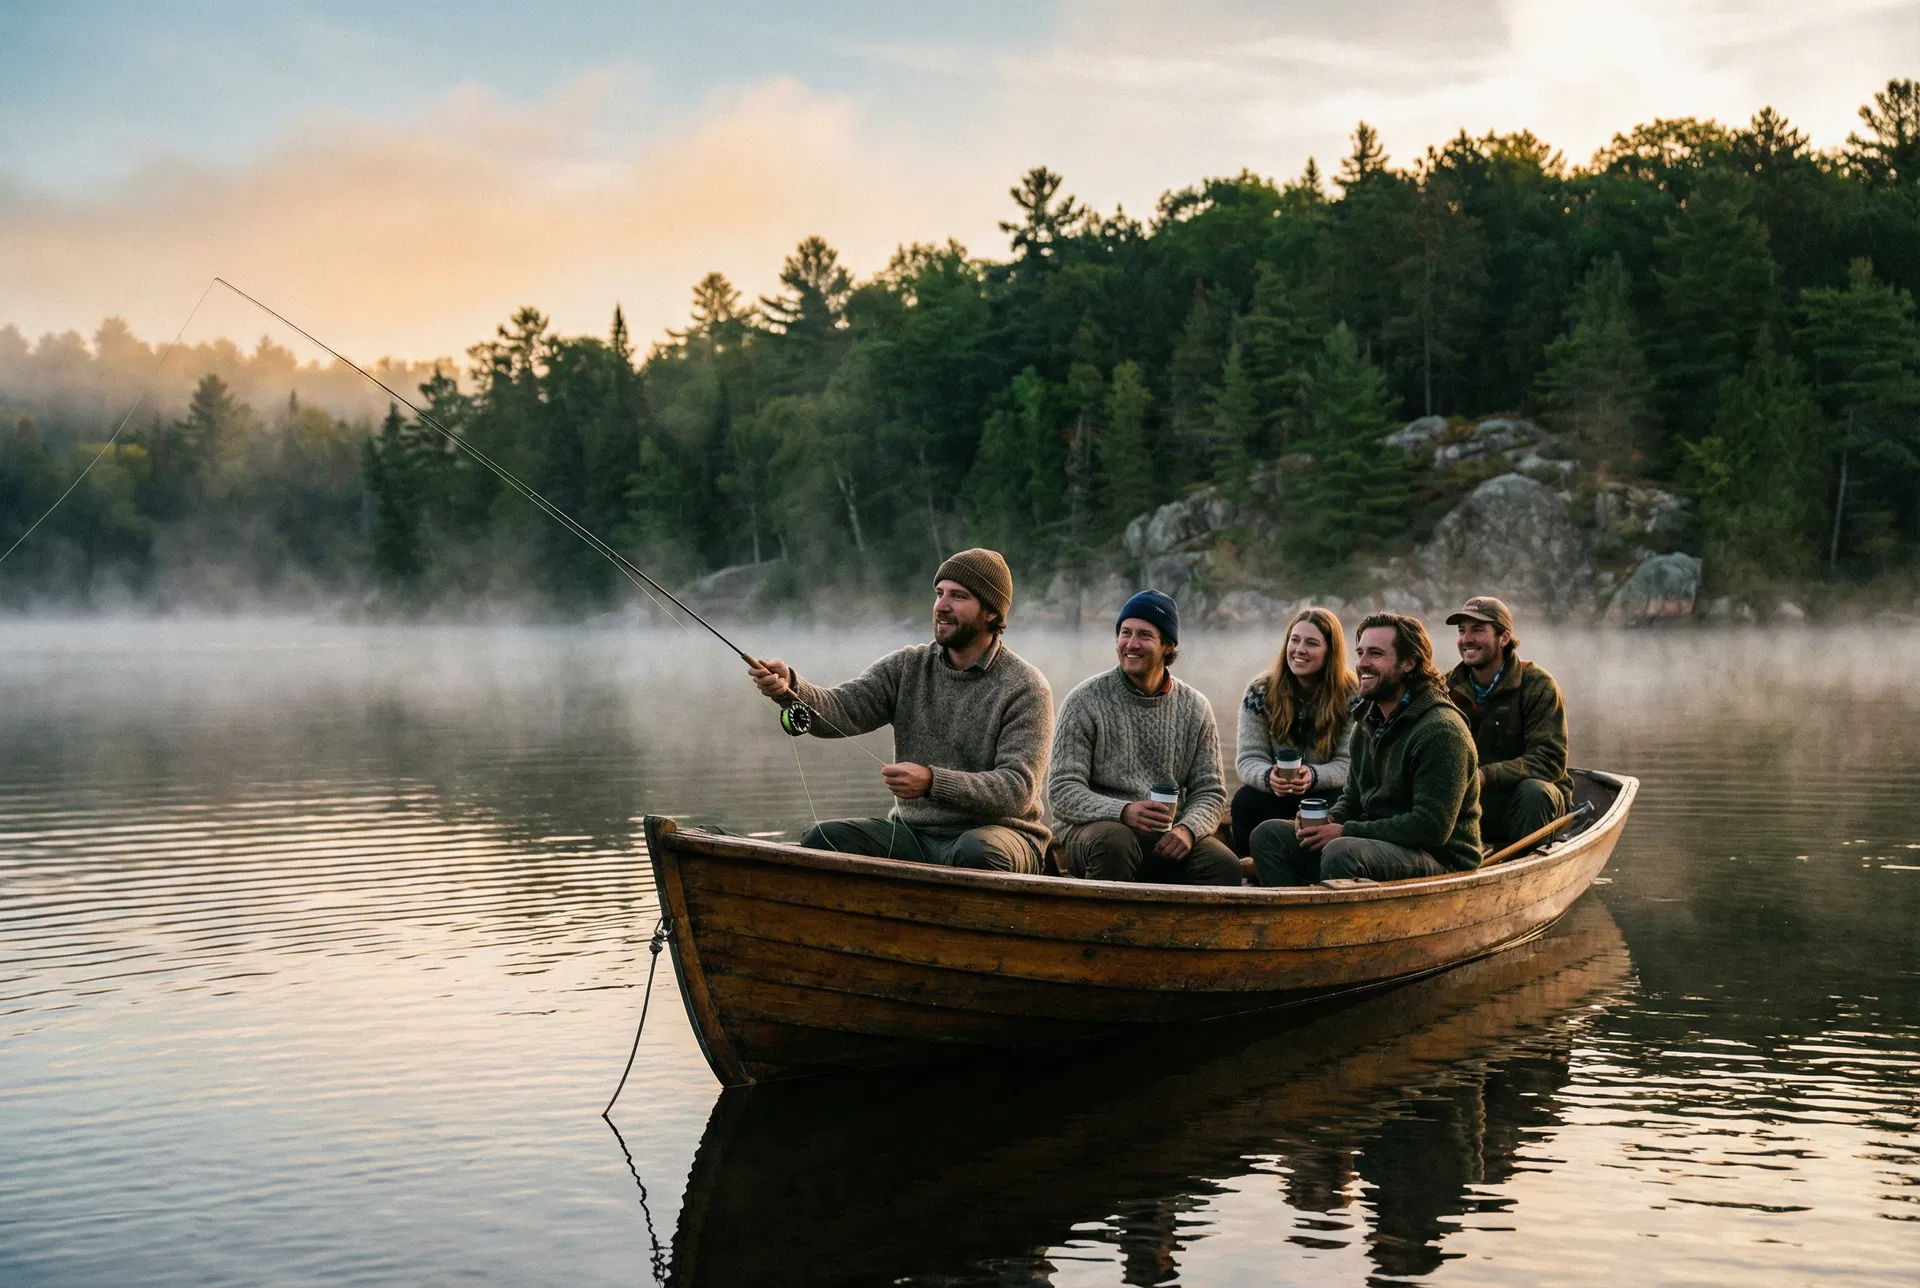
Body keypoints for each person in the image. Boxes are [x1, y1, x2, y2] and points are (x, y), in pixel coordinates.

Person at [747, 548, 1053, 873]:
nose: (941, 606)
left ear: (991, 613)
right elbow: (840, 710)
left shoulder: (1025, 686)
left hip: (1006, 838)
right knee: (823, 839)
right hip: (915, 836)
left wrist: (933, 782)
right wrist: (791, 687)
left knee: (975, 852)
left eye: (958, 596)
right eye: (939, 594)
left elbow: (1016, 790)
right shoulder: (907, 666)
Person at [1251, 612, 1482, 886]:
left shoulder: (1442, 730)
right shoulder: (1368, 720)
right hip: (1376, 845)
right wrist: (1326, 821)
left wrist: (1344, 831)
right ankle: (1292, 918)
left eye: (1375, 654)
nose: (1361, 664)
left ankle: (1334, 922)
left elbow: (1431, 827)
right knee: (1268, 835)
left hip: (1440, 860)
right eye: (1360, 652)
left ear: (1409, 663)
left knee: (1342, 852)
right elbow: (1354, 797)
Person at [1045, 590, 1242, 886]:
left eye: (1145, 635)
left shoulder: (1195, 707)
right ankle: (1103, 930)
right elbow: (1062, 791)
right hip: (1095, 833)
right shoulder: (1084, 701)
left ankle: (1187, 931)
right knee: (1115, 843)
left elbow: (1210, 791)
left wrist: (1188, 829)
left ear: (1167, 646)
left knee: (1224, 865)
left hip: (1167, 836)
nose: (1131, 644)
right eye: (1125, 633)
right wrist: (1122, 811)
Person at [1443, 595, 1574, 848]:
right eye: (1462, 631)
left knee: (1534, 793)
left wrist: (1484, 775)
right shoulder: (1446, 688)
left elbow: (1550, 761)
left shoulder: (1538, 685)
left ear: (1504, 638)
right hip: (1475, 801)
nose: (1466, 639)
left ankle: (1525, 870)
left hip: (1530, 803)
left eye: (1477, 630)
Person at [1231, 606, 1358, 855]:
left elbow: (1350, 764)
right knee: (1245, 800)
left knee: (1346, 802)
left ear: (1330, 652)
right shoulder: (1260, 691)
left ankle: (1319, 868)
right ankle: (1249, 867)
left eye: (1311, 643)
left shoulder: (1352, 695)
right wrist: (1270, 777)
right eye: (1294, 640)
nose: (1299, 650)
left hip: (1327, 792)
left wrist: (1313, 775)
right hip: (1276, 792)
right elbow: (1249, 758)